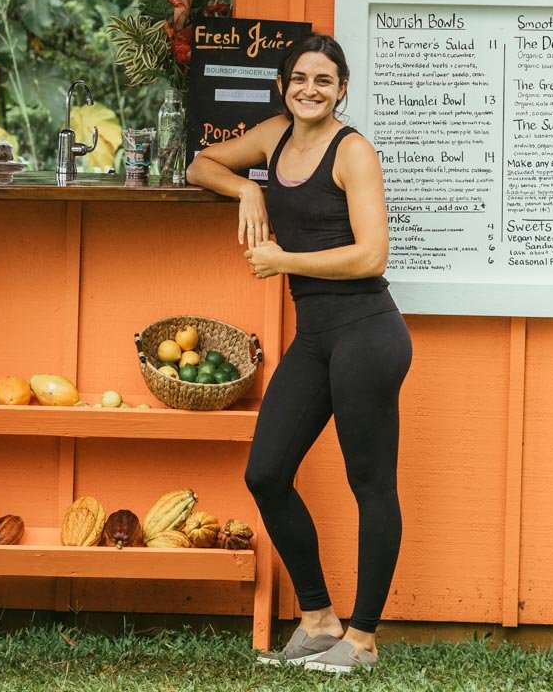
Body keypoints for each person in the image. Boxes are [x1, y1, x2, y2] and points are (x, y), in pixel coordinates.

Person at [187, 33, 411, 674]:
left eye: (324, 80)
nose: (310, 89)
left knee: (370, 483)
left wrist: (283, 258)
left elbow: (372, 254)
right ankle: (317, 620)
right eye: (299, 79)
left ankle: (362, 638)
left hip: (367, 331)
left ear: (342, 89)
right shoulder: (275, 136)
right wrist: (248, 190)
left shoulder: (353, 151)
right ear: (284, 86)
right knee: (266, 472)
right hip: (314, 336)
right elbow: (201, 164)